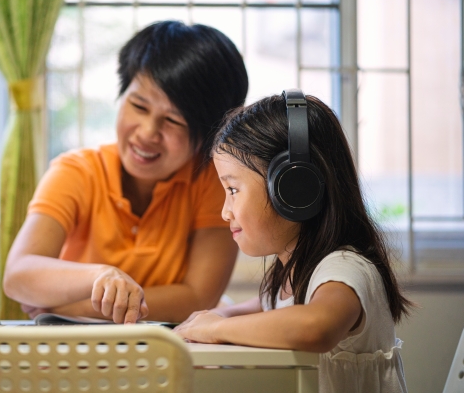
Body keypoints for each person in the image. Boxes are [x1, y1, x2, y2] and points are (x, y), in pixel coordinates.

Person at [3, 20, 249, 324]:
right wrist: (102, 277)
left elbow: (199, 297)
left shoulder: (212, 183)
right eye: (139, 106)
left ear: (210, 133)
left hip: (161, 356)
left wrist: (72, 308)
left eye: (173, 120)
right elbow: (18, 275)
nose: (147, 133)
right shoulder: (77, 171)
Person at [173, 90, 414, 392]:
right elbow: (263, 308)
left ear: (293, 188)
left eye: (233, 190)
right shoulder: (292, 271)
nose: (224, 212)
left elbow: (316, 327)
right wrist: (215, 316)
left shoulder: (344, 269)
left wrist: (217, 329)